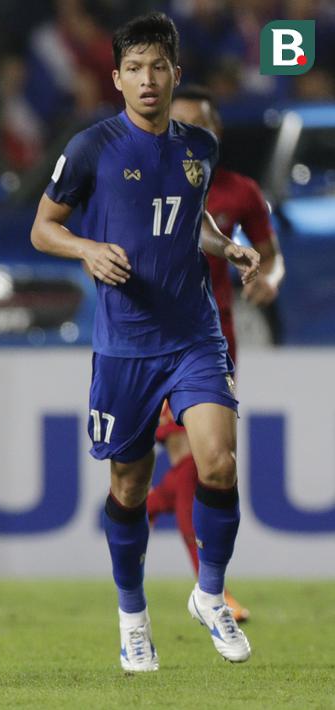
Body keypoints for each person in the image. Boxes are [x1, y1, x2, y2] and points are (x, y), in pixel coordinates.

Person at [30, 13, 259, 672]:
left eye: (157, 66)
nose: (147, 79)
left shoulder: (199, 147)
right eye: (134, 68)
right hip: (125, 346)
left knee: (218, 462)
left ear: (175, 74)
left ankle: (209, 595)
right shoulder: (90, 147)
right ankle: (132, 618)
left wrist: (226, 246)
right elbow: (43, 228)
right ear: (116, 78)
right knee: (129, 488)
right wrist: (86, 249)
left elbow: (189, 218)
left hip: (192, 334)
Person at [147, 84, 287, 623]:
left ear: (216, 133)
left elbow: (271, 255)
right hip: (152, 336)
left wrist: (268, 280)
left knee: (208, 463)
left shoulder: (239, 192)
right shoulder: (143, 182)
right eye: (178, 125)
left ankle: (148, 505)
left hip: (214, 337)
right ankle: (212, 591)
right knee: (190, 456)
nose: (187, 136)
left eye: (199, 126)